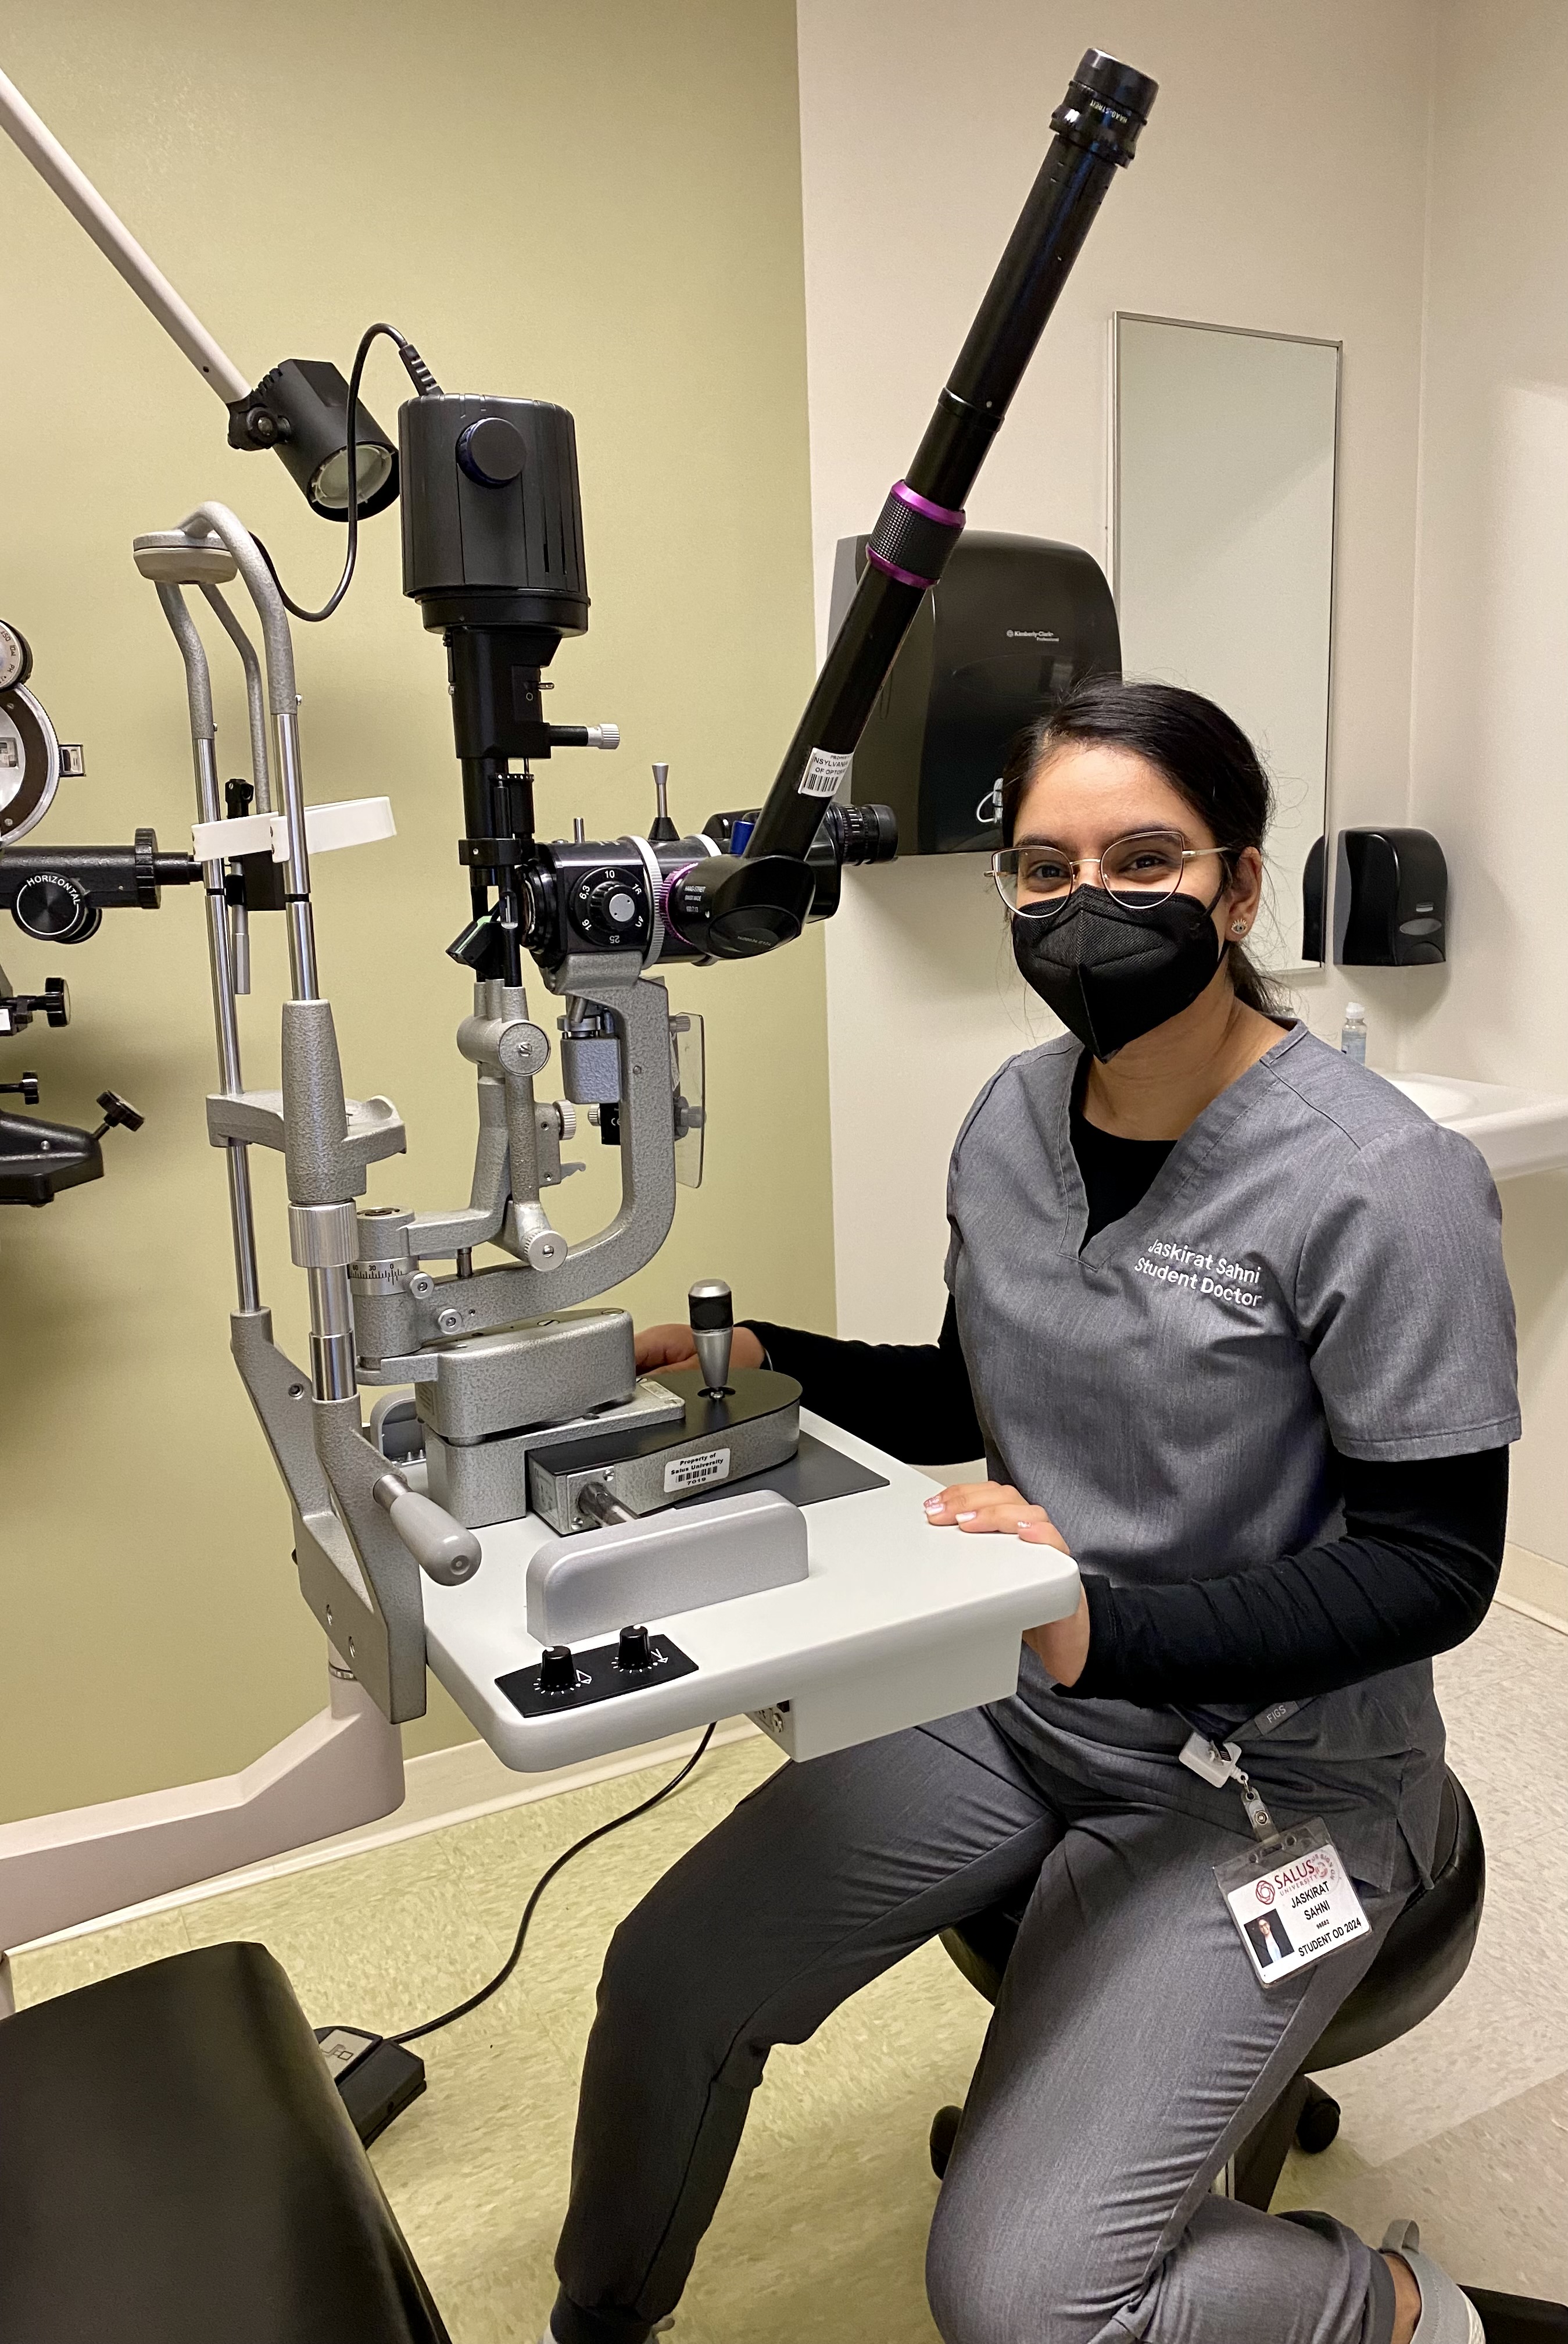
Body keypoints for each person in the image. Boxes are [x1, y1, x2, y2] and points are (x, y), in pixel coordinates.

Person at [541, 680, 1516, 2344]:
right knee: (670, 1978)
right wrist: (771, 1357)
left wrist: (1104, 1623)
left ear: (1235, 887)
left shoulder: (1380, 1178)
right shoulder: (1010, 1116)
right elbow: (986, 1389)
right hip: (1017, 1698)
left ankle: (1407, 2309)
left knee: (1023, 2302)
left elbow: (1434, 1567)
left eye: (1141, 858)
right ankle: (599, 2323)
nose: (1083, 906)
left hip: (1266, 1775)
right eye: (1042, 870)